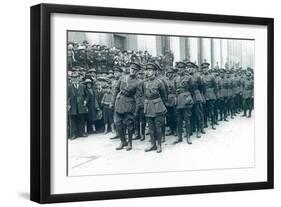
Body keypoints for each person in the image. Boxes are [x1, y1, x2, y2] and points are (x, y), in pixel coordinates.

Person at [114, 62, 142, 151]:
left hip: (130, 104)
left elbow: (138, 97)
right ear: (129, 69)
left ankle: (129, 142)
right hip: (119, 103)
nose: (132, 71)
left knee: (129, 124)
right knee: (118, 124)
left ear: (137, 71)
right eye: (131, 69)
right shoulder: (123, 77)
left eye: (135, 70)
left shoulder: (139, 82)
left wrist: (137, 110)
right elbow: (116, 89)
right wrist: (114, 101)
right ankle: (123, 141)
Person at [143, 62, 167, 153]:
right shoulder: (144, 82)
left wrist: (162, 106)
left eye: (150, 70)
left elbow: (164, 95)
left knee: (158, 127)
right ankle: (153, 144)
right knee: (151, 127)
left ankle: (159, 145)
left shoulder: (159, 82)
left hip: (158, 106)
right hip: (148, 106)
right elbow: (143, 94)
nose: (148, 72)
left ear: (155, 71)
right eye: (147, 70)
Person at [174, 61, 194, 145]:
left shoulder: (189, 77)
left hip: (186, 99)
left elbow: (192, 89)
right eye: (178, 68)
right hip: (178, 100)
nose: (180, 70)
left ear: (184, 69)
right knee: (178, 120)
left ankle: (188, 136)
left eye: (181, 68)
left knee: (187, 119)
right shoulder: (175, 78)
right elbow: (175, 89)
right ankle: (179, 137)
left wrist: (188, 96)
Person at [67, 73, 88, 139]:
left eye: (76, 77)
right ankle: (74, 134)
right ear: (72, 79)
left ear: (79, 78)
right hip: (73, 106)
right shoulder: (69, 87)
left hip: (81, 106)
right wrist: (68, 104)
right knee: (73, 120)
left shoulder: (83, 86)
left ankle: (81, 133)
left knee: (81, 119)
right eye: (73, 78)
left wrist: (85, 101)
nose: (75, 79)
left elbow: (87, 95)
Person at [201, 62, 217, 130]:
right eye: (203, 68)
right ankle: (205, 124)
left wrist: (215, 95)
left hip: (211, 95)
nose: (205, 70)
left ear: (208, 68)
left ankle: (213, 124)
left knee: (211, 110)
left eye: (206, 68)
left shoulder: (212, 76)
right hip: (204, 95)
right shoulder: (201, 77)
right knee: (204, 111)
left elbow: (215, 86)